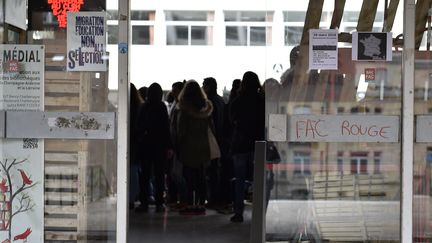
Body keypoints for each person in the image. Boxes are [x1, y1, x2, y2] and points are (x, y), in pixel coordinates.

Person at [229, 71, 265, 222]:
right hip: (258, 145)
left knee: (239, 180)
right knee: (258, 181)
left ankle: (238, 212)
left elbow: (232, 121)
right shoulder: (262, 100)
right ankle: (259, 213)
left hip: (240, 145)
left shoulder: (238, 101)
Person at [176, 80, 213, 215]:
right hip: (203, 147)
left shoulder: (184, 110)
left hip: (188, 147)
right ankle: (200, 204)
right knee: (201, 177)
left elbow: (181, 131)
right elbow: (211, 129)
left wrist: (177, 146)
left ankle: (190, 205)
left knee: (188, 177)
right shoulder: (206, 108)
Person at [136, 83, 173, 212]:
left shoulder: (143, 107)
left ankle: (144, 202)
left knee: (145, 176)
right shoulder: (162, 107)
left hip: (146, 146)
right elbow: (166, 128)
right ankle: (159, 203)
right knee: (159, 175)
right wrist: (169, 146)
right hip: (160, 146)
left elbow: (139, 126)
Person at [202, 77, 225, 208]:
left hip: (212, 140)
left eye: (204, 85)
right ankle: (217, 198)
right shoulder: (221, 100)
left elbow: (211, 123)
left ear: (209, 87)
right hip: (221, 140)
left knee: (211, 172)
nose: (203, 87)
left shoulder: (209, 102)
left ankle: (212, 199)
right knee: (216, 171)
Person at [129, 83, 144, 210]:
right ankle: (132, 198)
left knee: (130, 171)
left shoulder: (126, 109)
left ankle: (129, 198)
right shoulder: (140, 108)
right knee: (134, 171)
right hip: (136, 144)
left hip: (129, 143)